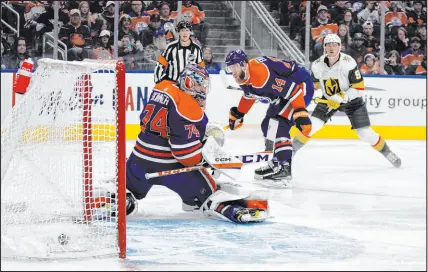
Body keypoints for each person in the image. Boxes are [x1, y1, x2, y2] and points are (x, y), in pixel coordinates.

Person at [124, 64, 269, 224]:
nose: (203, 90)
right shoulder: (188, 106)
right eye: (200, 85)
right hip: (169, 167)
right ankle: (230, 209)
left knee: (126, 186)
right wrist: (208, 160)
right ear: (188, 83)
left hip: (137, 161)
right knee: (209, 192)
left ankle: (122, 199)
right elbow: (185, 155)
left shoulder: (162, 87)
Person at [291, 34, 401, 168]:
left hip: (352, 100)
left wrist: (342, 98)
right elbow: (313, 85)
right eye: (328, 45)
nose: (331, 48)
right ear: (324, 47)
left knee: (365, 133)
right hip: (329, 100)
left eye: (334, 45)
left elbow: (359, 87)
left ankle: (387, 152)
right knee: (310, 127)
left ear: (339, 47)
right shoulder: (317, 65)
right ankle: (289, 153)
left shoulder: (349, 63)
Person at [224, 49, 314, 187]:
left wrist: (301, 112)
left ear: (243, 64)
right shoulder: (244, 75)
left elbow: (294, 91)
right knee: (267, 125)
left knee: (279, 124)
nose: (232, 71)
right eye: (230, 68)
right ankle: (276, 162)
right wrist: (239, 113)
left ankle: (284, 166)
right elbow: (250, 95)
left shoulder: (261, 75)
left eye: (234, 66)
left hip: (301, 85)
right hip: (286, 91)